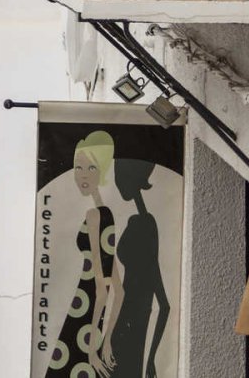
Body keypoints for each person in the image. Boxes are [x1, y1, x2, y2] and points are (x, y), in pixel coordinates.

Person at [46, 131, 117, 377]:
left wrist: (92, 348)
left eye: (91, 167)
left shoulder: (95, 215)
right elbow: (118, 290)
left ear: (102, 171)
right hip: (89, 312)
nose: (83, 175)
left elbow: (101, 287)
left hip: (83, 310)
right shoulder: (108, 214)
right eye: (78, 167)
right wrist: (105, 340)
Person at [100, 161, 170, 378]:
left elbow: (164, 305)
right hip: (124, 323)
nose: (117, 182)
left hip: (131, 326)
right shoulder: (138, 222)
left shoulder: (146, 226)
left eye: (121, 177)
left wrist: (151, 359)